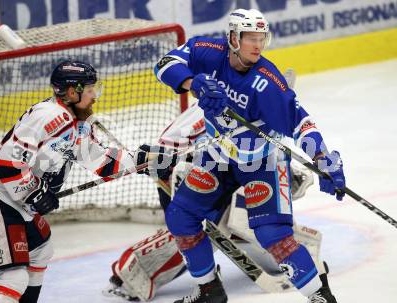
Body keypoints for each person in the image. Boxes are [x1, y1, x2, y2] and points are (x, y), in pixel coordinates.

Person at [154, 8, 345, 303]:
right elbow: (166, 63)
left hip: (262, 162)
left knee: (273, 235)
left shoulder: (267, 83)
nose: (258, 45)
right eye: (250, 39)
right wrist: (194, 83)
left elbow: (300, 123)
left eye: (261, 38)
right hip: (218, 155)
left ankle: (320, 296)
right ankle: (209, 291)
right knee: (181, 217)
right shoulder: (208, 52)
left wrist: (323, 158)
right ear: (233, 38)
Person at [0, 60, 172, 303]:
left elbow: (99, 160)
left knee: (40, 250)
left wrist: (141, 160)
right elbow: (8, 164)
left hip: (12, 197)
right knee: (13, 276)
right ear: (73, 92)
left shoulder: (77, 124)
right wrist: (35, 193)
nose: (95, 96)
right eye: (91, 90)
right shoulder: (48, 116)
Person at [104, 100, 323, 302]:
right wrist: (154, 159)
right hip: (189, 183)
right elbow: (168, 162)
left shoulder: (244, 101)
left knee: (261, 219)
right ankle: (135, 271)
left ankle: (288, 258)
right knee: (205, 228)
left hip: (222, 179)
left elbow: (253, 153)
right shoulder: (207, 114)